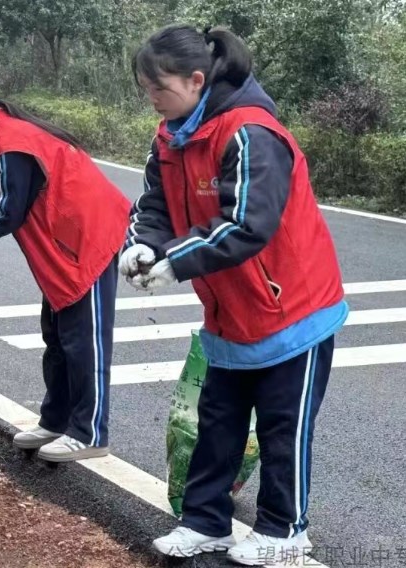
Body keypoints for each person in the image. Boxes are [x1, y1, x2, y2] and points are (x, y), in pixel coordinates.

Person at [121, 24, 349, 564]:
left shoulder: (251, 133)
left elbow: (248, 223)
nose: (152, 99)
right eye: (146, 89)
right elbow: (154, 206)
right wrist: (143, 245)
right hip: (230, 312)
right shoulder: (169, 139)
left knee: (282, 428)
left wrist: (176, 262)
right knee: (217, 422)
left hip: (294, 310)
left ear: (196, 80)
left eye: (159, 88)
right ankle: (205, 522)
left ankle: (284, 532)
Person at [0, 78, 131, 462]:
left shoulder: (12, 143)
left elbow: (6, 215)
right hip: (62, 250)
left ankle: (91, 433)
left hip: (89, 241)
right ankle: (56, 421)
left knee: (85, 342)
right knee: (58, 337)